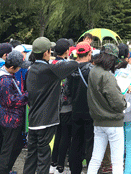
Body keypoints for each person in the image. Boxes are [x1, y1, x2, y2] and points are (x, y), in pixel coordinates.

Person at [23, 37, 78, 174]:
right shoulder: (49, 70)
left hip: (33, 120)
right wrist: (76, 58)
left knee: (31, 156)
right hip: (46, 122)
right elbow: (72, 66)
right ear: (47, 52)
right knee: (44, 157)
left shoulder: (31, 69)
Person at [86, 44, 127, 174]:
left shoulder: (93, 71)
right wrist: (123, 99)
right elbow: (118, 103)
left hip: (98, 121)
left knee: (96, 158)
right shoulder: (107, 76)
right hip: (113, 123)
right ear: (111, 59)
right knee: (117, 161)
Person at [0, 50, 28, 174]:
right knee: (9, 148)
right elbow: (10, 102)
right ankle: (3, 170)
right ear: (11, 67)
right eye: (18, 68)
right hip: (11, 119)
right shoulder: (5, 80)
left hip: (3, 116)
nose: (19, 70)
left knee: (0, 144)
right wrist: (27, 95)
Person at [66, 42, 94, 174]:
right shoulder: (92, 70)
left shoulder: (71, 70)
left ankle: (74, 170)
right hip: (90, 111)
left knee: (75, 142)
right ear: (89, 54)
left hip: (75, 110)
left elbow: (66, 91)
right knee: (90, 143)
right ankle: (91, 169)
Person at [116, 44, 131, 174]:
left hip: (116, 112)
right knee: (130, 146)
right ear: (128, 56)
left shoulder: (111, 70)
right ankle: (128, 172)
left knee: (118, 147)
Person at [50, 39, 74, 174]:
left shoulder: (51, 64)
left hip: (53, 105)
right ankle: (60, 165)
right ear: (67, 51)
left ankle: (53, 162)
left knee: (57, 134)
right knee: (65, 135)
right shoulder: (67, 65)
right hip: (66, 105)